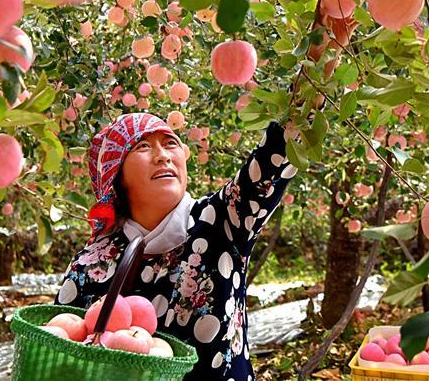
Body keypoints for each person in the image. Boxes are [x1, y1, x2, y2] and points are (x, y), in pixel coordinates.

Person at [55, 112, 298, 380]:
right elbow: (59, 345)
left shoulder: (221, 221)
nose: (163, 155)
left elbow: (270, 163)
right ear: (117, 176)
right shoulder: (91, 265)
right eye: (143, 146)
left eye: (170, 143)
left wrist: (305, 99)